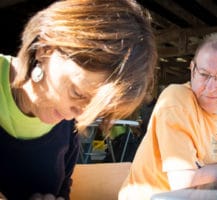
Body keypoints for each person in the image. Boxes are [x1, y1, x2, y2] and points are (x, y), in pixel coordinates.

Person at [0, 0, 157, 199]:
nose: (81, 115)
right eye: (77, 93)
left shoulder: (68, 127)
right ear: (45, 48)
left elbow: (64, 190)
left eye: (95, 107)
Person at [119, 32, 217, 200]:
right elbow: (183, 183)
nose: (210, 87)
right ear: (193, 70)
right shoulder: (175, 100)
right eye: (204, 74)